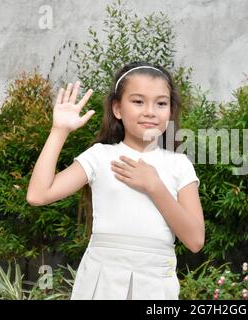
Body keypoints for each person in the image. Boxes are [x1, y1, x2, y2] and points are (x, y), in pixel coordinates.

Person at [26, 61, 205, 300]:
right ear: (117, 109)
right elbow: (38, 195)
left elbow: (195, 240)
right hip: (101, 283)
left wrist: (154, 185)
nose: (150, 111)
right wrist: (59, 130)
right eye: (138, 101)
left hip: (155, 286)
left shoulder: (179, 165)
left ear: (170, 111)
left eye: (161, 103)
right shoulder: (100, 156)